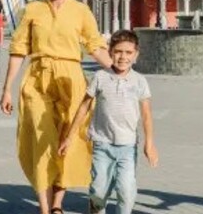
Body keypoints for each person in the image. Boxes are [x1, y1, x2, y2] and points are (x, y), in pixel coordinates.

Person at [0, 0, 113, 214]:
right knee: (42, 142)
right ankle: (44, 207)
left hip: (71, 79)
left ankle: (57, 206)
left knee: (67, 141)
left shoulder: (81, 11)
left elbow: (95, 46)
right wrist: (7, 88)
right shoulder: (32, 10)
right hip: (37, 79)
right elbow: (18, 50)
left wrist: (119, 72)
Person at [58, 29, 159, 214]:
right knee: (98, 190)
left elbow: (146, 114)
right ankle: (96, 205)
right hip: (102, 145)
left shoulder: (140, 81)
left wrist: (149, 144)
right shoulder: (100, 77)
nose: (123, 57)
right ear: (110, 51)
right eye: (118, 51)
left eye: (128, 52)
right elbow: (84, 107)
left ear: (136, 55)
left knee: (126, 192)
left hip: (127, 147)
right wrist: (69, 137)